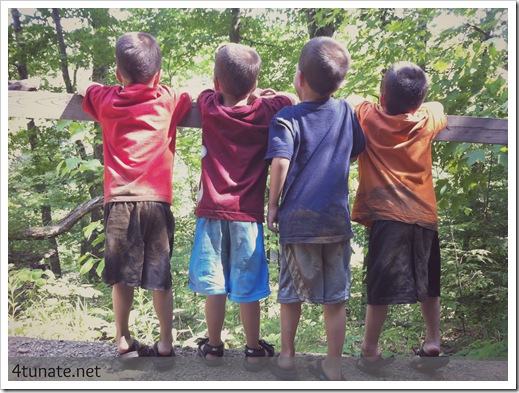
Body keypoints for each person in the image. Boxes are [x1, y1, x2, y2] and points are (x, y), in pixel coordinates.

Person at [78, 32, 191, 361]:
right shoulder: (167, 98)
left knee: (121, 278)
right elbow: (186, 98)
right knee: (160, 277)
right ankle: (166, 341)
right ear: (157, 75)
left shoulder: (107, 100)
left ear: (117, 74)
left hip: (119, 203)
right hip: (156, 203)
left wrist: (104, 86)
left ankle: (124, 339)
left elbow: (88, 89)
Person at [187, 42, 297, 371]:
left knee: (215, 285)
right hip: (248, 216)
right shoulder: (267, 111)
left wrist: (238, 91)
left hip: (211, 213)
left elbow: (204, 93)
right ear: (254, 84)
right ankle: (252, 350)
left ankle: (214, 347)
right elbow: (289, 99)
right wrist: (261, 96)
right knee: (248, 286)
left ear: (218, 83)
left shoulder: (210, 105)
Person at [265, 36, 366, 381]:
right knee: (335, 298)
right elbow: (355, 151)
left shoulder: (286, 117)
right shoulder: (346, 111)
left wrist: (272, 205)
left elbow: (279, 162)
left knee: (291, 293)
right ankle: (334, 365)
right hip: (335, 221)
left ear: (300, 79)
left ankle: (288, 357)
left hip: (298, 221)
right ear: (339, 82)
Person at [347, 61, 450, 372]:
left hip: (386, 215)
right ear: (418, 101)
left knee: (379, 285)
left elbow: (352, 100)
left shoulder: (368, 116)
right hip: (423, 214)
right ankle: (433, 340)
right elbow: (437, 105)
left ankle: (370, 348)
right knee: (429, 282)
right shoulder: (426, 119)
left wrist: (371, 101)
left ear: (381, 95)